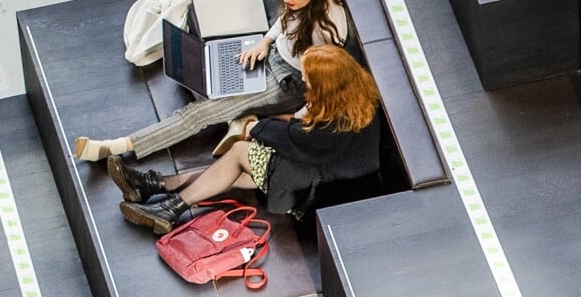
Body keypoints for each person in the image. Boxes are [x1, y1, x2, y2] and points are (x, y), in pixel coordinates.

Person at [72, 0, 351, 163]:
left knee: (198, 115)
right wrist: (265, 41)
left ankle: (119, 146)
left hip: (291, 82)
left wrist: (296, 113)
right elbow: (286, 20)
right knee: (207, 68)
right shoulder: (301, 3)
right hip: (273, 55)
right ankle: (239, 117)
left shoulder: (328, 26)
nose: (286, 0)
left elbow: (322, 81)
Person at [117, 43, 382, 232]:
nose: (302, 79)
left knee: (240, 153)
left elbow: (299, 139)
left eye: (308, 78)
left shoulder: (335, 126)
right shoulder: (356, 99)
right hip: (321, 171)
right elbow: (302, 132)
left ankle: (170, 209)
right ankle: (155, 186)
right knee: (233, 171)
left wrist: (255, 127)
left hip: (318, 188)